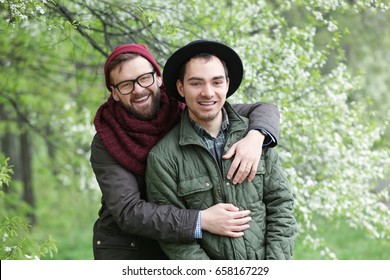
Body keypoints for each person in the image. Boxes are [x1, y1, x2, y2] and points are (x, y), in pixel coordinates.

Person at [90, 43, 281, 259]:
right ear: (114, 93)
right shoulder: (108, 137)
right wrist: (201, 220)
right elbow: (129, 212)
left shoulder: (185, 105)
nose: (138, 89)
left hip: (180, 239)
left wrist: (256, 137)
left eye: (145, 78)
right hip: (129, 247)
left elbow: (263, 109)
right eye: (126, 84)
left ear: (159, 77)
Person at [146, 40, 297, 260]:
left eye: (216, 82)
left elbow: (280, 204)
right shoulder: (163, 158)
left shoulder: (255, 137)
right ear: (181, 87)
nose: (208, 93)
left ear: (227, 84)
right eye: (196, 83)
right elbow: (176, 240)